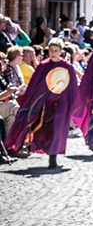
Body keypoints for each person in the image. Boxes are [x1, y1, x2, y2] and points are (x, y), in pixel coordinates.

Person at [4, 38, 81, 169]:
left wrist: (73, 108)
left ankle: (53, 156)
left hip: (62, 103)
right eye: (51, 51)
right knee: (46, 129)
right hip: (45, 104)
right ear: (48, 51)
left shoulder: (67, 67)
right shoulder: (43, 66)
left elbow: (72, 87)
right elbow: (34, 85)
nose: (53, 53)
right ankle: (47, 149)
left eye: (56, 51)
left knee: (57, 128)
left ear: (61, 52)